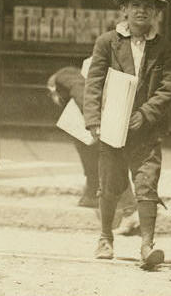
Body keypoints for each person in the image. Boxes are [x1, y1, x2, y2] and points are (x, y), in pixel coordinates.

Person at [83, 0, 171, 271]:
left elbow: (167, 89)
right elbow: (94, 84)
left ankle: (147, 245)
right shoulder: (107, 43)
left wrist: (145, 114)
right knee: (109, 184)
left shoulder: (162, 47)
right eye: (136, 5)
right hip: (112, 129)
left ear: (156, 13)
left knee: (147, 183)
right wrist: (94, 121)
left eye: (148, 7)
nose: (141, 12)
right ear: (124, 9)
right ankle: (105, 237)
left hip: (146, 132)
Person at [47, 62, 140, 235]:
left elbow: (80, 91)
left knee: (110, 164)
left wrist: (93, 120)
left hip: (97, 122)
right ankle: (92, 195)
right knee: (98, 161)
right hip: (97, 120)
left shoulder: (62, 76)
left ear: (51, 89)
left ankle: (130, 210)